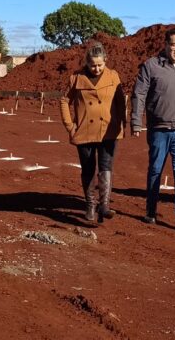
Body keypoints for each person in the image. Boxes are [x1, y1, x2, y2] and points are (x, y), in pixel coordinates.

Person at [131, 27, 175, 233]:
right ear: (165, 44)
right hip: (159, 129)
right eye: (173, 45)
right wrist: (136, 122)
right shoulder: (151, 66)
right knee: (155, 170)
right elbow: (139, 94)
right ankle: (151, 211)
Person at [60, 42, 126, 223]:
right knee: (88, 168)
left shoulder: (113, 76)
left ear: (106, 61)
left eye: (100, 65)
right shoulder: (76, 78)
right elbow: (65, 100)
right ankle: (90, 204)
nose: (96, 69)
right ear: (86, 63)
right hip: (84, 131)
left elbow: (121, 100)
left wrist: (122, 122)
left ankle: (104, 205)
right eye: (92, 65)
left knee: (106, 167)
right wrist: (69, 125)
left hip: (108, 130)